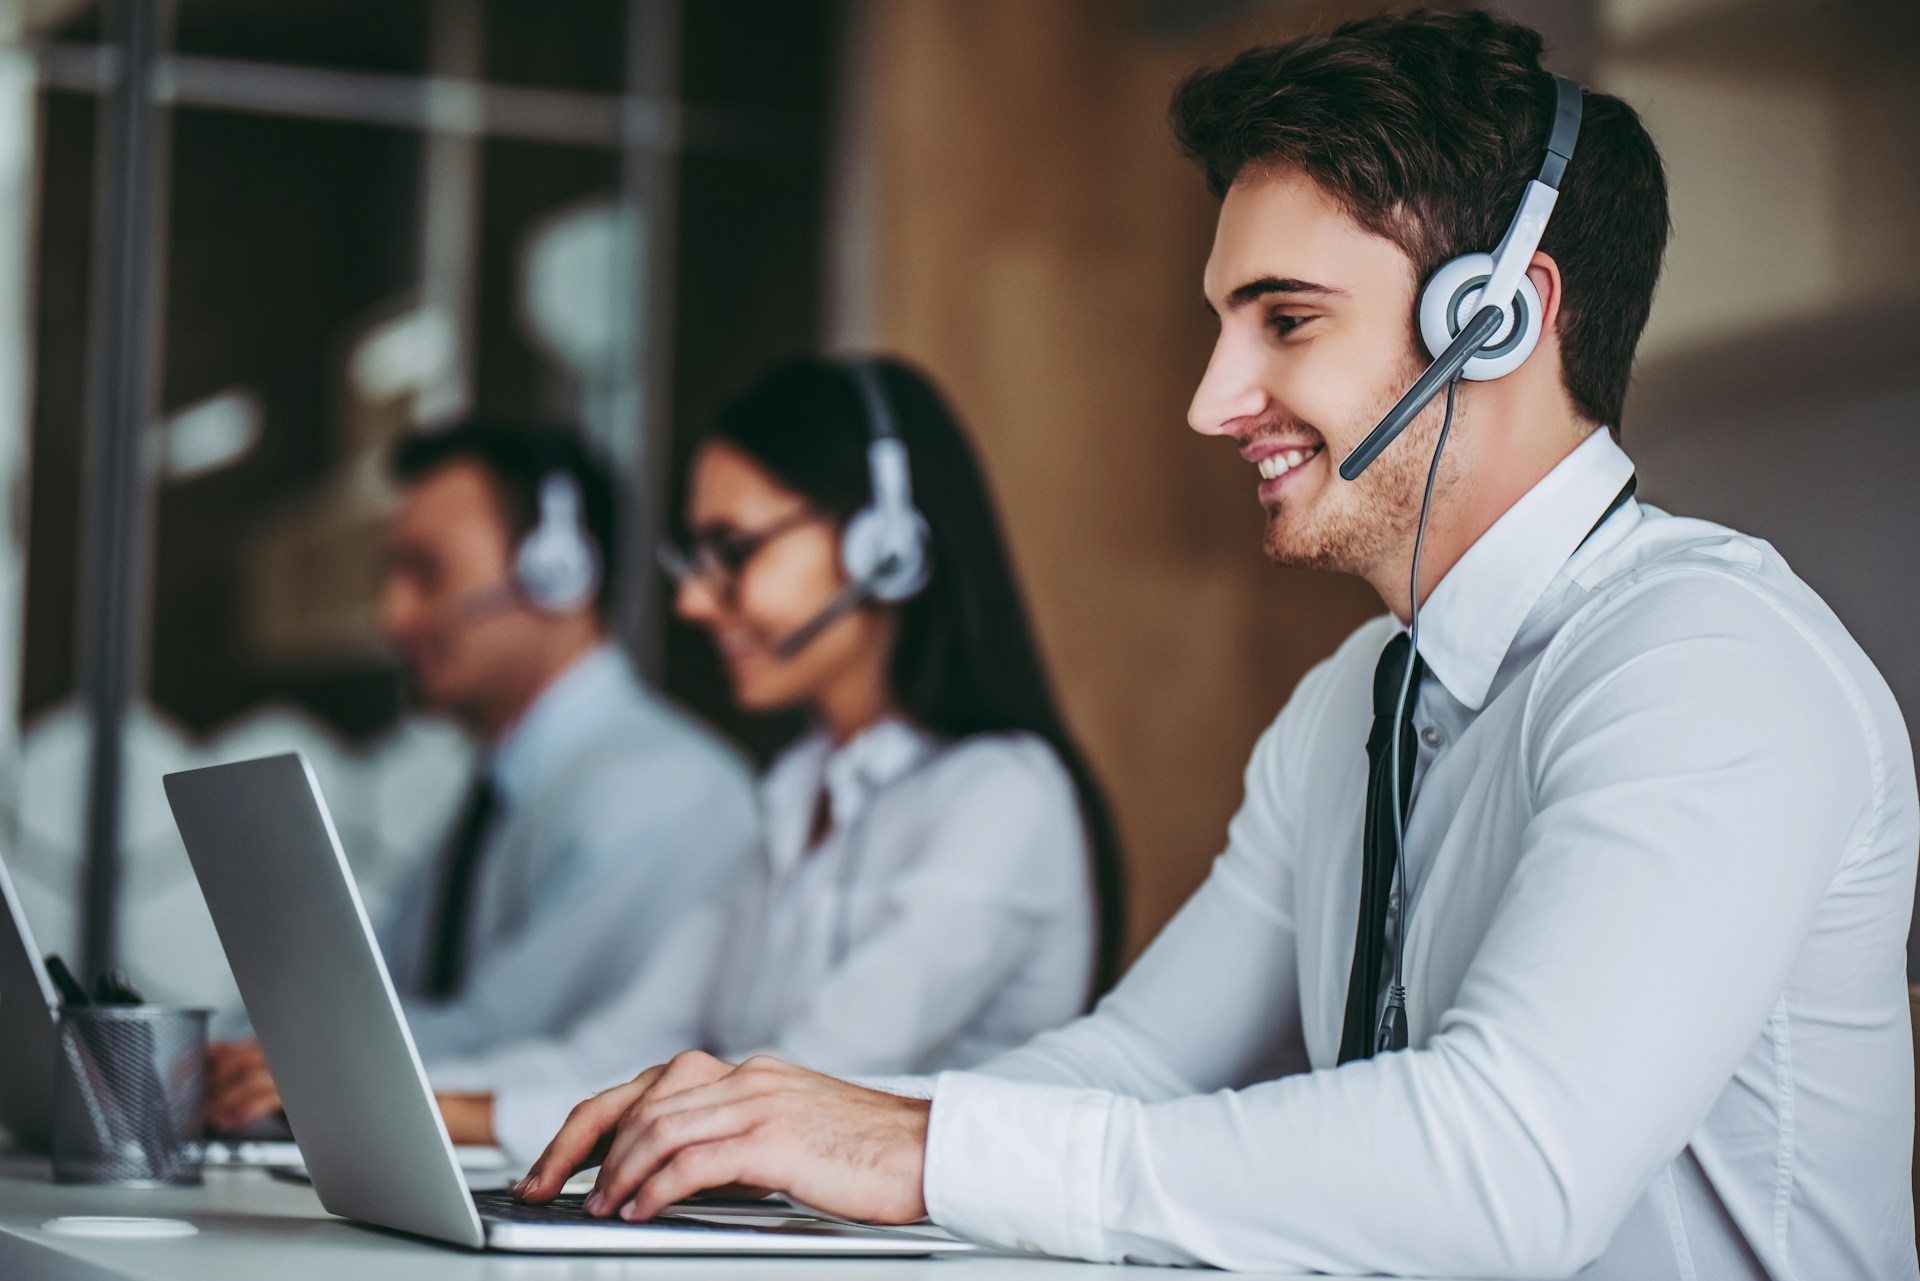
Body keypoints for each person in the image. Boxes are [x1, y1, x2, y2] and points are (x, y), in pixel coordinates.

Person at [509, 11, 1920, 1279]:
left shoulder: (1709, 662)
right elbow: (1138, 1067)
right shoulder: (1356, 701)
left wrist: (915, 1152)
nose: (1211, 400)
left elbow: (1506, 1170)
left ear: (1498, 321)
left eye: (1285, 322)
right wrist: (803, 1138)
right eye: (1224, 325)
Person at [424, 357, 1128, 1162]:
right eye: (694, 558)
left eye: (733, 548)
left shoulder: (1003, 796)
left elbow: (793, 1082)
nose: (694, 599)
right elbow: (610, 1053)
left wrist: (439, 1111)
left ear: (883, 544)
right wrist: (402, 1098)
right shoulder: (796, 796)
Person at [206, 419, 760, 1131]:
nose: (394, 617)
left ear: (558, 571)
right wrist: (228, 1049)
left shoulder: (659, 789)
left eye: (427, 574)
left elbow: (497, 1033)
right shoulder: (495, 790)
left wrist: (304, 1068)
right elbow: (385, 990)